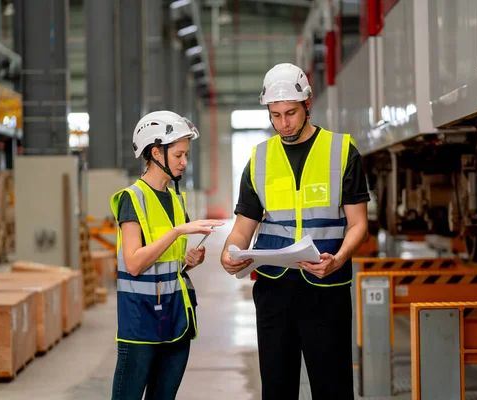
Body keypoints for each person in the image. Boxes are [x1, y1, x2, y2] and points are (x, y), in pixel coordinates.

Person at [220, 63, 370, 400]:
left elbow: (359, 224)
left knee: (332, 388)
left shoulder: (342, 151)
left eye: (290, 113)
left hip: (326, 287)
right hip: (274, 291)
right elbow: (244, 226)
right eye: (275, 115)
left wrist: (340, 258)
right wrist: (230, 251)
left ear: (307, 105)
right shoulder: (259, 159)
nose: (283, 123)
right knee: (277, 388)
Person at [109, 110, 223, 400]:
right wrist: (176, 232)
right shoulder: (132, 199)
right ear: (156, 152)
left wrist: (188, 262)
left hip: (175, 319)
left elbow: (166, 264)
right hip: (140, 322)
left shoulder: (175, 198)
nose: (185, 162)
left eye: (186, 155)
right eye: (179, 155)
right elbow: (134, 263)